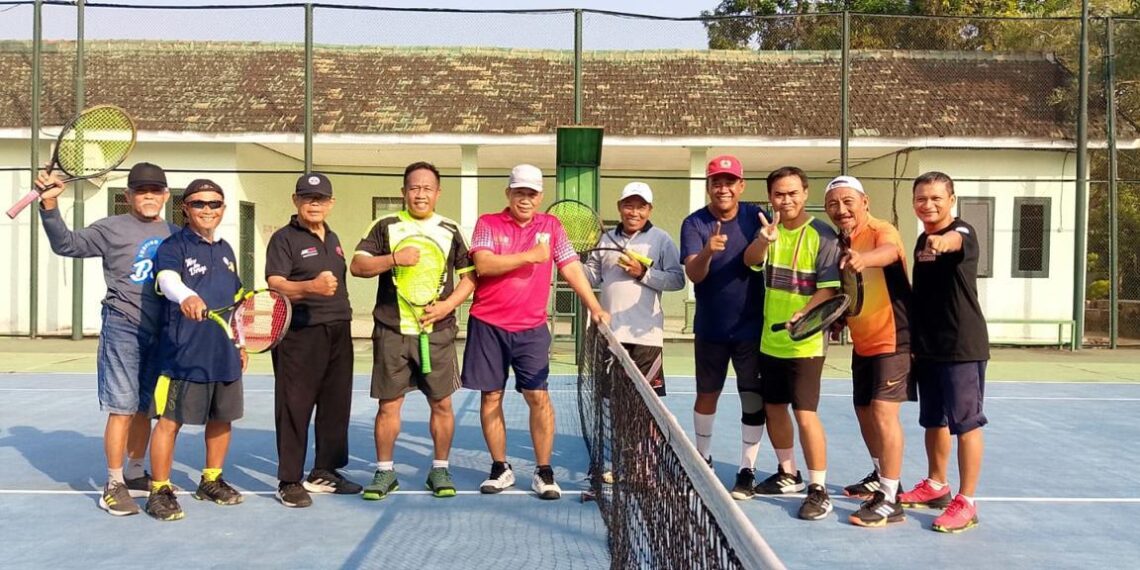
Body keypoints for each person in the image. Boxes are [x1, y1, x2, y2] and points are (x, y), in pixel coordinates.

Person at [35, 162, 176, 516]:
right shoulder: (111, 228)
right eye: (140, 191)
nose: (148, 196)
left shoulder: (177, 233)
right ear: (128, 196)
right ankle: (113, 484)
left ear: (166, 195)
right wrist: (50, 206)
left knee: (147, 406)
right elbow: (66, 244)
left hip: (161, 333)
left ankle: (134, 472)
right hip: (123, 326)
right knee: (122, 406)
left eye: (154, 191)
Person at [462, 164, 610, 500]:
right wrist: (530, 256)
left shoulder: (552, 226)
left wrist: (594, 306)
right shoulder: (488, 223)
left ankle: (544, 471)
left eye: (531, 193)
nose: (525, 199)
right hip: (487, 324)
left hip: (531, 328)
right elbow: (483, 265)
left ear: (540, 196)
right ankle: (500, 467)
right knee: (491, 397)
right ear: (508, 194)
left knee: (538, 397)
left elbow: (571, 267)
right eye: (519, 192)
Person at [351, 162, 476, 501]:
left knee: (442, 404)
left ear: (437, 193)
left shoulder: (450, 229)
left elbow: (470, 276)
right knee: (389, 406)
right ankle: (384, 472)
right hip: (392, 332)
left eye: (427, 188)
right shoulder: (385, 226)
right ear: (403, 192)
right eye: (414, 187)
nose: (420, 193)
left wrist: (448, 305)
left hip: (437, 333)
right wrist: (394, 258)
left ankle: (439, 468)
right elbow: (358, 265)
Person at [743, 166, 841, 521]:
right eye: (779, 194)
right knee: (774, 408)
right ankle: (789, 473)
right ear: (771, 197)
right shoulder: (768, 231)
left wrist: (804, 313)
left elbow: (829, 288)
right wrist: (762, 241)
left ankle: (819, 489)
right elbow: (750, 261)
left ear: (805, 192)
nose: (786, 200)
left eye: (792, 193)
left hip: (806, 343)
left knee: (805, 414)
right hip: (771, 339)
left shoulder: (823, 235)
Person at [146, 179, 246, 521]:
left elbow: (236, 303)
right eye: (199, 204)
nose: (207, 210)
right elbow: (167, 280)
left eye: (214, 204)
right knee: (169, 422)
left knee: (222, 419)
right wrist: (186, 295)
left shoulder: (227, 250)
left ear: (223, 209)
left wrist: (241, 341)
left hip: (224, 352)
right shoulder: (173, 246)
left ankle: (211, 480)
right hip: (183, 354)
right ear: (185, 208)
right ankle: (159, 488)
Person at [898, 171, 989, 533]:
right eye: (922, 198)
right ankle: (937, 485)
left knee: (966, 423)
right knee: (932, 419)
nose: (928, 205)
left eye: (936, 198)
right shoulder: (921, 239)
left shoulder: (963, 232)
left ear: (951, 199)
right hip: (929, 347)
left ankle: (966, 500)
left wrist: (943, 242)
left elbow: (956, 240)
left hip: (962, 345)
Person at [821, 176, 912, 527]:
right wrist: (842, 317)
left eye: (848, 202)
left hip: (894, 337)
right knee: (863, 410)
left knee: (883, 412)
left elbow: (889, 253)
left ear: (865, 202)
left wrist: (865, 258)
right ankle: (882, 475)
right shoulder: (842, 240)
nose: (841, 210)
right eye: (833, 204)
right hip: (864, 339)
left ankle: (891, 499)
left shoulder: (879, 230)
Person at [679, 155, 772, 501]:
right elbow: (693, 274)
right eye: (717, 181)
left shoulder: (756, 216)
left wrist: (763, 239)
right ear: (708, 186)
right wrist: (707, 251)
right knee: (707, 395)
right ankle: (703, 459)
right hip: (711, 328)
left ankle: (747, 470)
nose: (723, 188)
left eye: (730, 181)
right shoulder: (694, 224)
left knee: (752, 397)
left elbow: (758, 259)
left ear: (741, 186)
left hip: (751, 329)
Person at [265, 173, 360, 508]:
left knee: (336, 405)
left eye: (320, 199)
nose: (314, 204)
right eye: (307, 198)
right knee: (295, 406)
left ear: (331, 203)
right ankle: (289, 479)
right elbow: (275, 284)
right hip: (300, 334)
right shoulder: (284, 239)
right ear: (296, 201)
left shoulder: (332, 237)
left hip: (337, 329)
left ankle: (324, 471)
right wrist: (310, 288)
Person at [583, 182, 685, 395]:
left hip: (646, 338)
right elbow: (591, 277)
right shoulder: (606, 238)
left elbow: (677, 280)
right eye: (629, 205)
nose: (634, 212)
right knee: (615, 403)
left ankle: (643, 432)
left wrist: (643, 273)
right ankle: (623, 432)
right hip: (611, 334)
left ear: (650, 210)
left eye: (641, 207)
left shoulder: (661, 239)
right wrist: (569, 262)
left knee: (645, 405)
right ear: (620, 206)